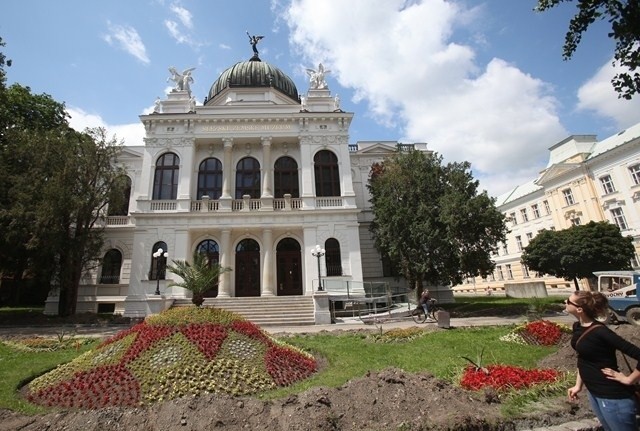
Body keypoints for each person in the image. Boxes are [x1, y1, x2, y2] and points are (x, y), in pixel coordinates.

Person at [565, 290, 640, 431]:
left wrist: (630, 379)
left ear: (579, 309)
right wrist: (578, 386)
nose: (565, 302)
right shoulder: (577, 327)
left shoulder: (601, 332)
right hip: (594, 393)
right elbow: (583, 358)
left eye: (568, 301)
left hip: (614, 398)